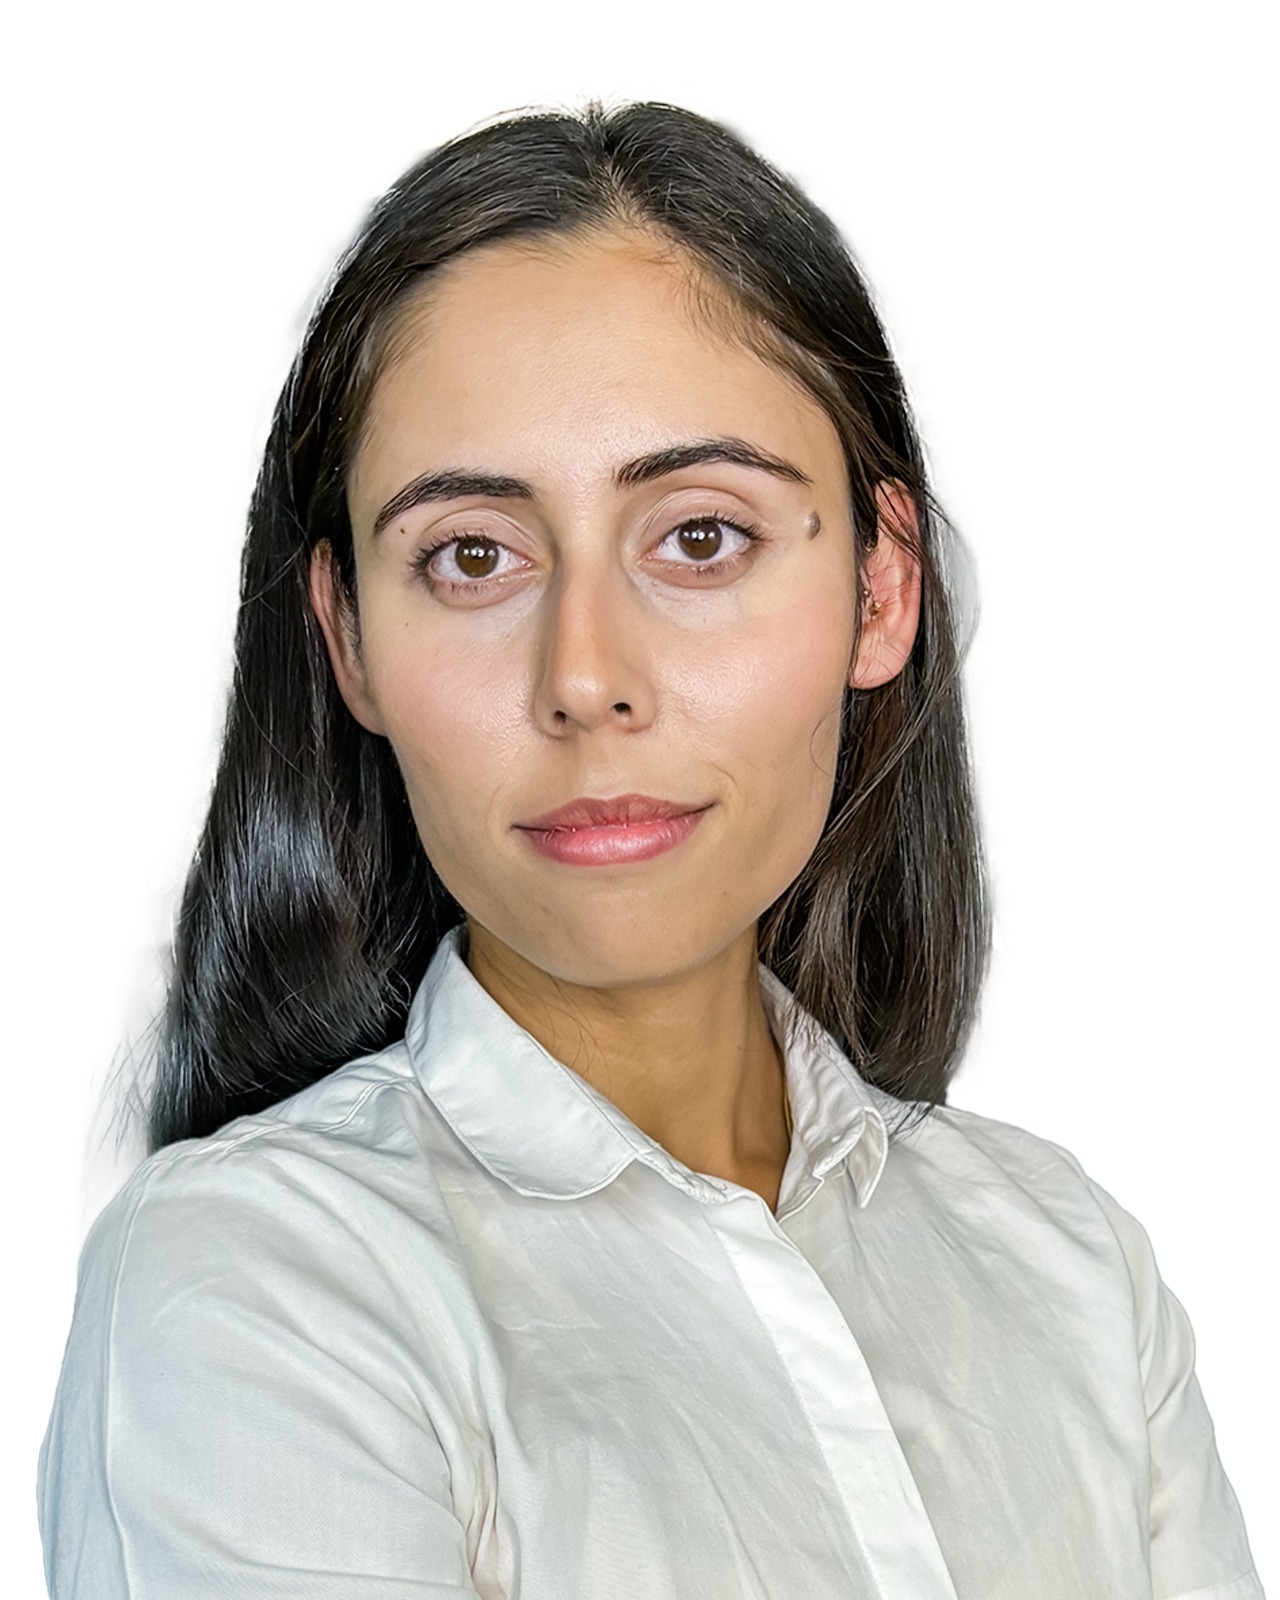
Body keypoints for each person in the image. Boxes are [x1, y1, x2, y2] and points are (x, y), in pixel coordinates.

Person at [37, 101, 1261, 1599]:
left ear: (880, 590)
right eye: (472, 556)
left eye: (699, 537)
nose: (584, 675)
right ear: (347, 638)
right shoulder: (255, 1285)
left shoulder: (1071, 1268)